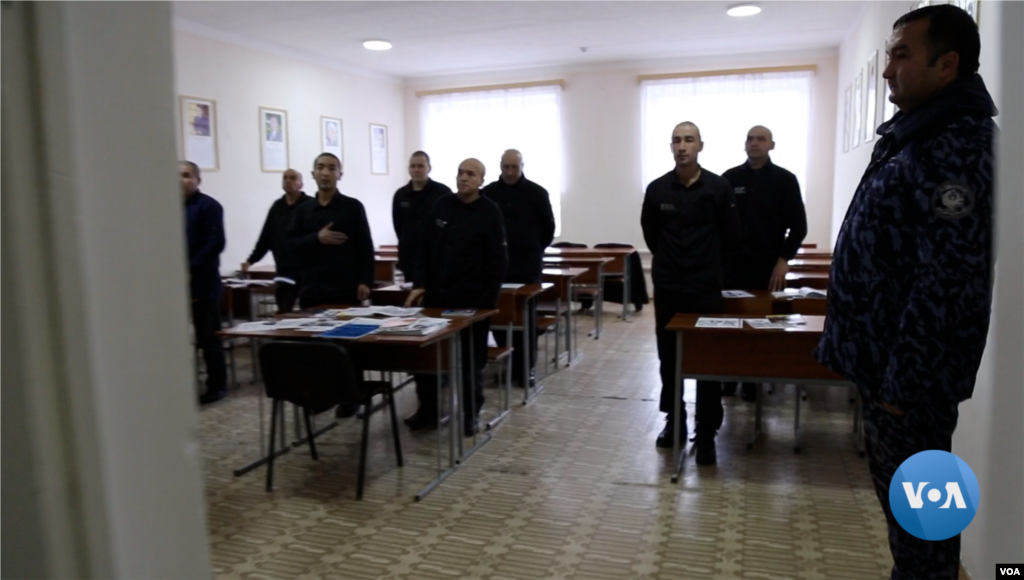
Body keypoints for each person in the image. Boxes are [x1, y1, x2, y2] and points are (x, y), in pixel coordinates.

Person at [815, 6, 995, 579]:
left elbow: (949, 280)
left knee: (923, 525)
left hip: (909, 385)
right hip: (888, 371)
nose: (888, 70)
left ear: (947, 65)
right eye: (888, 54)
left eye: (900, 55)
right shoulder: (920, 132)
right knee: (911, 522)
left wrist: (905, 388)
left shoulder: (959, 145)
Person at [640, 121, 740, 465]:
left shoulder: (718, 187)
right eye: (676, 141)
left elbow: (730, 237)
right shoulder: (657, 190)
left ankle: (707, 430)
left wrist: (707, 267)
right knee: (669, 357)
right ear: (671, 147)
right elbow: (651, 234)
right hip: (669, 287)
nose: (682, 146)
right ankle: (675, 420)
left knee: (707, 358)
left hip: (705, 288)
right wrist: (672, 262)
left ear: (700, 145)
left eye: (689, 140)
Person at [405, 158, 508, 437]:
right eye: (461, 173)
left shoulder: (490, 211)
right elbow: (424, 249)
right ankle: (427, 410)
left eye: (470, 174)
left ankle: (471, 413)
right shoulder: (441, 205)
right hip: (437, 297)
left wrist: (486, 302)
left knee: (470, 361)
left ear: (481, 181)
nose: (464, 178)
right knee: (427, 358)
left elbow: (498, 261)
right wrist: (419, 284)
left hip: (472, 301)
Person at [721, 126, 808, 401]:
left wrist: (784, 260)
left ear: (772, 145)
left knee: (760, 325)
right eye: (750, 138)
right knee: (730, 325)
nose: (754, 143)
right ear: (744, 145)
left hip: (768, 269)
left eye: (761, 139)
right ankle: (728, 378)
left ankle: (752, 381)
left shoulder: (785, 180)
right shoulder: (729, 179)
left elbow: (798, 227)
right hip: (731, 267)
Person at [482, 149, 556, 388]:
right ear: (500, 167)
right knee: (501, 320)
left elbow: (548, 229)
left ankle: (527, 369)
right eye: (506, 167)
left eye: (514, 167)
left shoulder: (537, 193)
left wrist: (532, 248)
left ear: (522, 166)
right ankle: (508, 365)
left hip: (527, 267)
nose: (510, 172)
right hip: (497, 267)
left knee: (526, 321)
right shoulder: (489, 194)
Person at [286, 153, 374, 309]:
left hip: (346, 291)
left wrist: (365, 281)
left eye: (332, 168)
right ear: (313, 174)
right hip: (311, 290)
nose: (325, 173)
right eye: (320, 168)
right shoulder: (303, 210)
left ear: (339, 175)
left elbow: (365, 247)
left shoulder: (352, 207)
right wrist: (317, 238)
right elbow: (290, 245)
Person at [181, 161, 228, 405]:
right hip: (177, 285)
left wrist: (189, 266)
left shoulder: (209, 206)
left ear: (198, 180)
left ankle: (217, 385)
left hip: (203, 283)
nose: (182, 180)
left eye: (187, 175)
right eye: (177, 176)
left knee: (209, 338)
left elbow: (215, 243)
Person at [241, 169, 311, 312]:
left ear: (301, 184)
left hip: (306, 269)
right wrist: (251, 261)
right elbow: (266, 238)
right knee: (284, 310)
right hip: (284, 268)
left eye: (292, 178)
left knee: (308, 311)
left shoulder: (309, 205)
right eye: (285, 178)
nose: (288, 181)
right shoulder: (277, 207)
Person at [391, 151, 453, 278]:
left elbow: (451, 223)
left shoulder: (443, 193)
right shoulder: (400, 195)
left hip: (437, 257)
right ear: (409, 169)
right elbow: (398, 226)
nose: (416, 170)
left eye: (420, 166)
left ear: (429, 168)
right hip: (410, 257)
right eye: (413, 166)